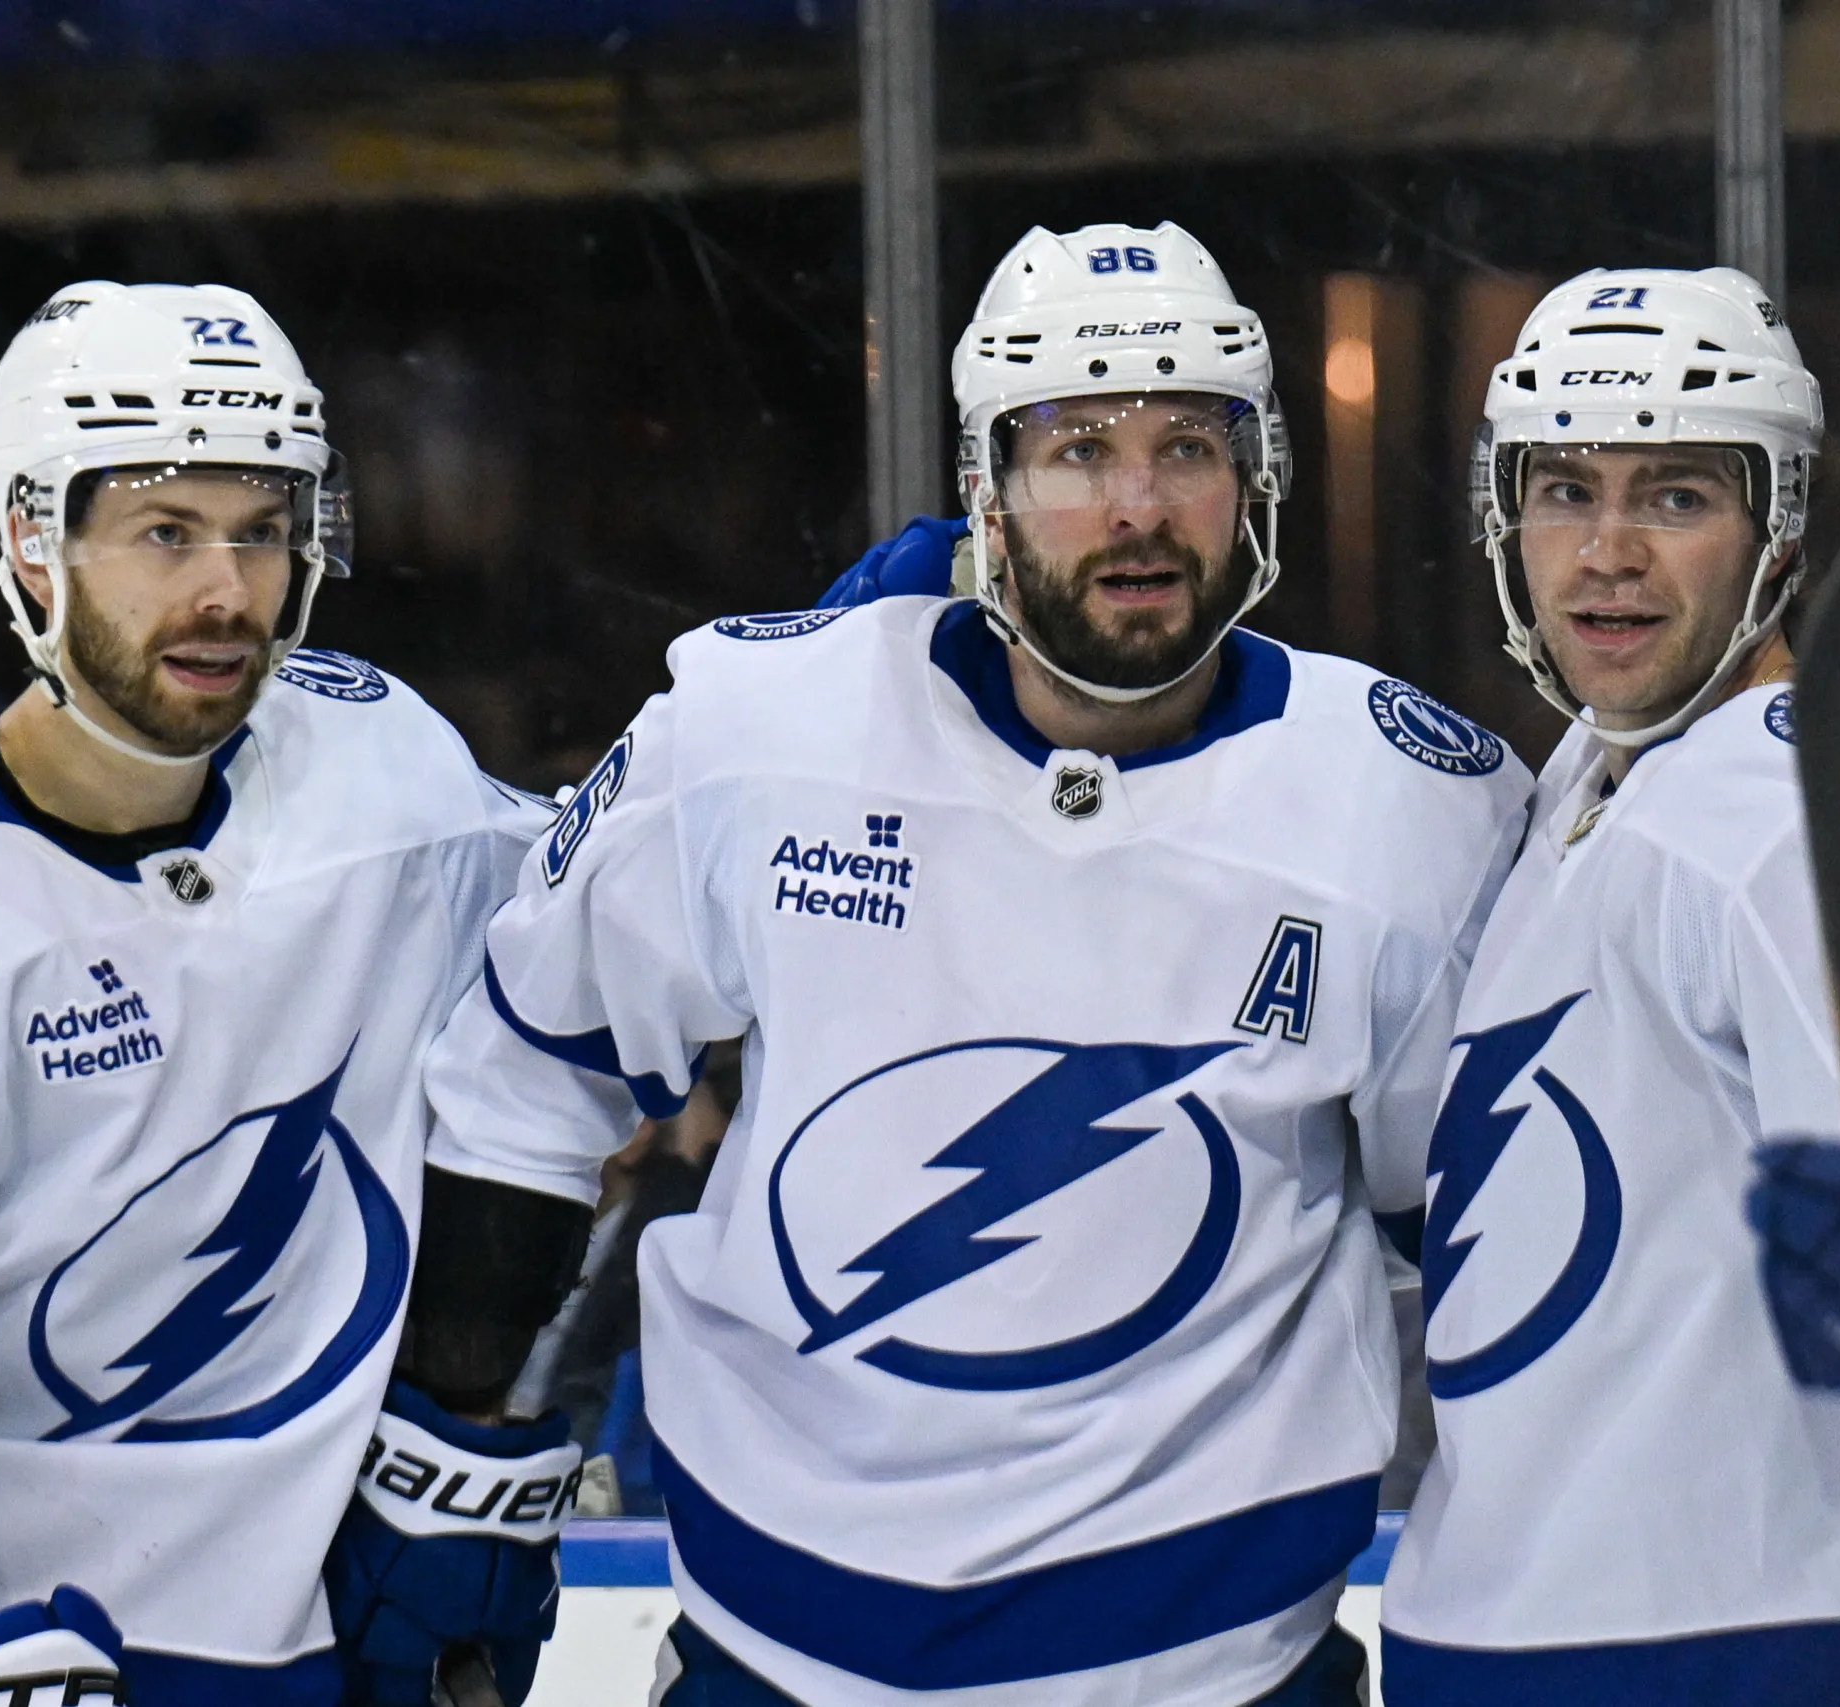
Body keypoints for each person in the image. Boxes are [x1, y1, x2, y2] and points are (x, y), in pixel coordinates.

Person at [421, 220, 1530, 1706]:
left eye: (1187, 448)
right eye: (1076, 450)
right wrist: (448, 1454)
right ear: (985, 491)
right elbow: (526, 1073)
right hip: (777, 1664)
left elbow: (1483, 1247)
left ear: (1257, 476)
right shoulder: (764, 730)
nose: (1138, 507)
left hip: (1216, 1677)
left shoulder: (1411, 809)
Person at [0, 282, 593, 1707]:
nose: (228, 592)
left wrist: (849, 683)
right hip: (22, 1657)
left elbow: (619, 919)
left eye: (261, 529)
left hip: (323, 1660)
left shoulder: (381, 779)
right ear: (34, 541)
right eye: (165, 532)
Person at [1368, 267, 1840, 1706]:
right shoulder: (1590, 781)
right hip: (1505, 1648)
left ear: (1777, 528)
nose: (1607, 553)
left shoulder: (1796, 820)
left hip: (1742, 1658)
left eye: (1674, 497)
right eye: (1566, 492)